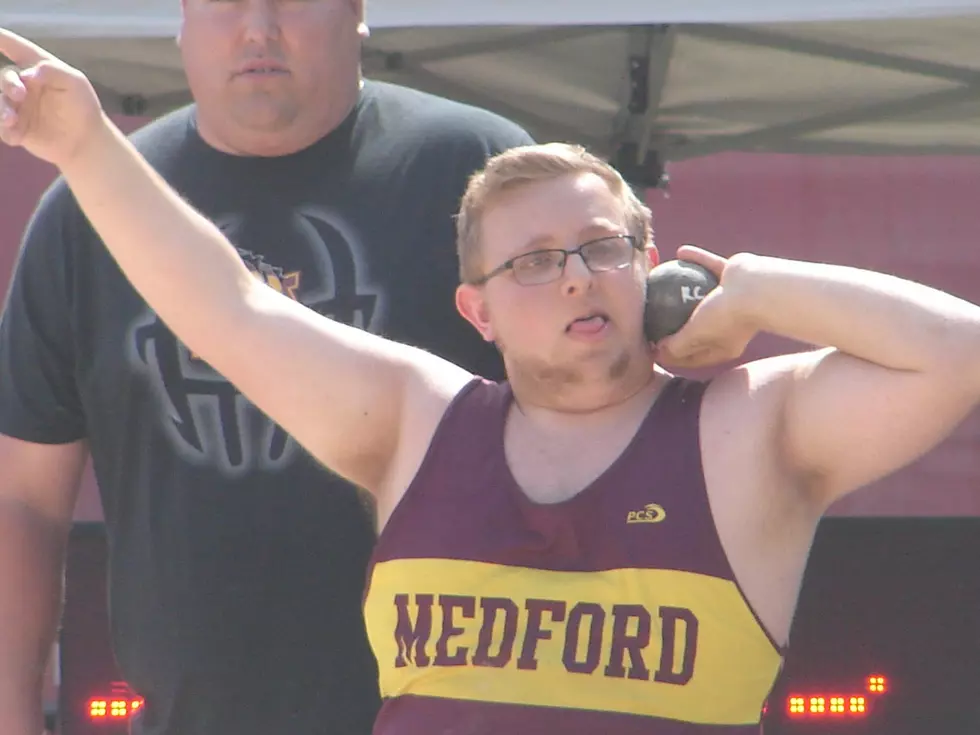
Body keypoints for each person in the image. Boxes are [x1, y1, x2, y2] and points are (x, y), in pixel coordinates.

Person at [5, 29, 980, 735]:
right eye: (530, 262)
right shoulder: (416, 422)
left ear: (650, 265)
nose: (570, 276)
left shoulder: (747, 431)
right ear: (475, 312)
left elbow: (956, 352)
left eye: (601, 248)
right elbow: (227, 308)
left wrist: (755, 289)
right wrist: (88, 150)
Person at [0, 2, 532, 733]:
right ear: (182, 22)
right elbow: (24, 497)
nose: (258, 28)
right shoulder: (90, 205)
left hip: (449, 712)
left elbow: (588, 417)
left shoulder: (477, 175)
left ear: (357, 14)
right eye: (224, 3)